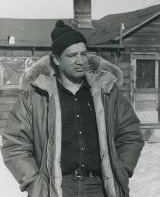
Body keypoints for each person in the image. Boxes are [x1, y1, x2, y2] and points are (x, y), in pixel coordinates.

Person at [1, 20, 144, 197]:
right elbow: (14, 144)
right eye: (72, 55)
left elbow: (131, 133)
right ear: (56, 59)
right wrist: (33, 182)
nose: (80, 61)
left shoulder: (106, 92)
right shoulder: (36, 96)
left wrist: (120, 169)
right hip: (57, 188)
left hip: (99, 186)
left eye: (83, 54)